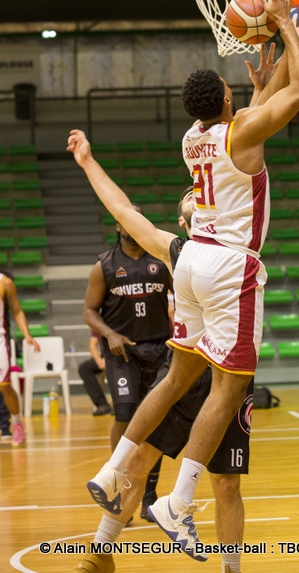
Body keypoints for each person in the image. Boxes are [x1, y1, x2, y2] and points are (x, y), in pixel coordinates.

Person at [68, 0, 299, 558]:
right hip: (231, 266)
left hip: (191, 260)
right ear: (226, 100)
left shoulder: (193, 138)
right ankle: (178, 500)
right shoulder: (239, 133)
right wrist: (284, 24)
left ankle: (113, 472)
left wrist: (264, 81)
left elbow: (247, 119)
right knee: (229, 389)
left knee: (178, 379)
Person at [73, 187, 252, 573]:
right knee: (141, 458)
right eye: (189, 195)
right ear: (184, 222)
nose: (196, 192)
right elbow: (124, 211)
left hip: (229, 375)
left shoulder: (237, 244)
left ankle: (231, 568)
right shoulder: (176, 251)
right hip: (187, 370)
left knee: (227, 484)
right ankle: (100, 551)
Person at [83, 209, 173, 519]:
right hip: (122, 353)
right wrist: (109, 334)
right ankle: (116, 487)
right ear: (118, 226)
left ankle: (148, 496)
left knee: (154, 423)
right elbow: (89, 311)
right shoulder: (104, 265)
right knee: (124, 416)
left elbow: (187, 296)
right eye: (126, 220)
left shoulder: (162, 262)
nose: (131, 225)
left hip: (159, 350)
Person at [0, 271, 41, 446]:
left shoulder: (5, 283)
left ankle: (16, 423)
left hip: (0, 340)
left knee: (4, 386)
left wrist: (27, 334)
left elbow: (17, 311)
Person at [78, 331, 113, 416]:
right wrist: (99, 362)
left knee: (115, 367)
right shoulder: (96, 325)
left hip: (118, 355)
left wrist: (109, 358)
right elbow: (92, 345)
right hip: (104, 357)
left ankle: (119, 404)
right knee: (84, 368)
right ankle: (102, 404)